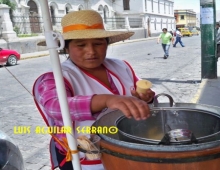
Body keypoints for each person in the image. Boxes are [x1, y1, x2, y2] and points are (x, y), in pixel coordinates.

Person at [33, 10, 155, 170]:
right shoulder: (54, 77)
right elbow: (55, 107)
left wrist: (146, 98)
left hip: (127, 148)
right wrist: (106, 100)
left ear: (107, 43)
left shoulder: (121, 66)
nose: (91, 51)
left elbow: (140, 92)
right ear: (66, 48)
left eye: (98, 43)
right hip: (84, 158)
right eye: (81, 45)